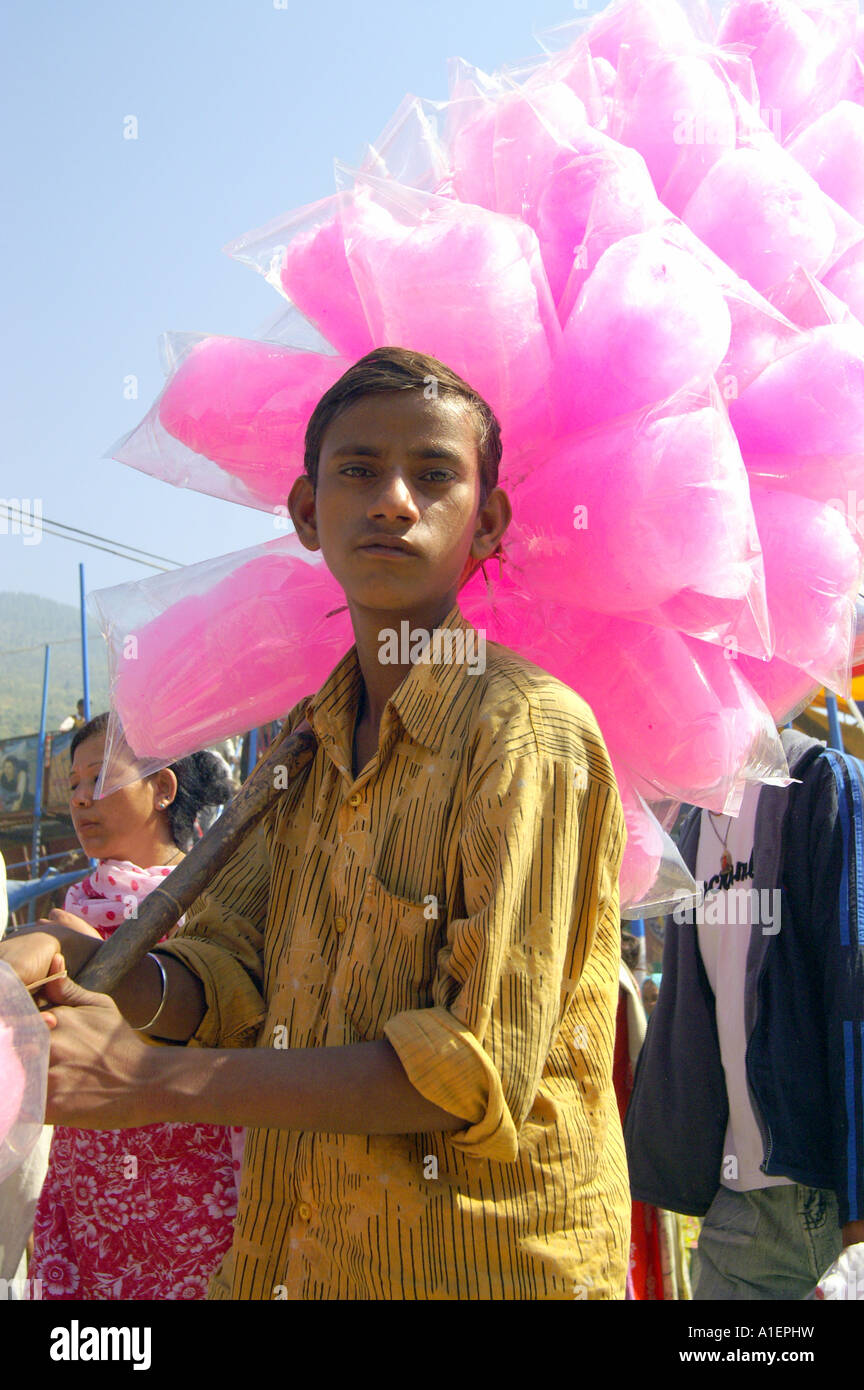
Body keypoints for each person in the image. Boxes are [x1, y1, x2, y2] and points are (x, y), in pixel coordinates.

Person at [4, 347, 629, 1300]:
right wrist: (112, 975)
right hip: (297, 1258)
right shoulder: (305, 743)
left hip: (480, 1268)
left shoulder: (528, 734)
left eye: (433, 475)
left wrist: (147, 1082)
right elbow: (232, 973)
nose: (391, 500)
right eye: (357, 471)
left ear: (488, 522)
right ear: (307, 513)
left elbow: (471, 1068)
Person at [624, 725, 864, 1300]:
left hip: (819, 1200)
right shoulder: (689, 823)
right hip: (737, 1207)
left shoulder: (821, 783)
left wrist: (859, 1220)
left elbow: (854, 995)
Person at [25, 713, 241, 1300]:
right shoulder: (75, 904)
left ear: (162, 787)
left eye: (97, 779)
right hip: (86, 1163)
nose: (78, 800)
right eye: (71, 785)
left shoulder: (215, 902)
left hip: (188, 1171)